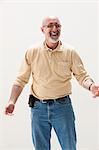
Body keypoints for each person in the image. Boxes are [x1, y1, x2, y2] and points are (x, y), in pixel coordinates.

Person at [5, 16, 99, 150]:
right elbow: (20, 80)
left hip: (63, 108)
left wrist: (91, 86)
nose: (54, 29)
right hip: (38, 109)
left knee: (69, 147)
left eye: (57, 25)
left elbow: (82, 76)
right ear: (42, 29)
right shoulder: (32, 51)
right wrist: (11, 101)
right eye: (50, 25)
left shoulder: (70, 52)